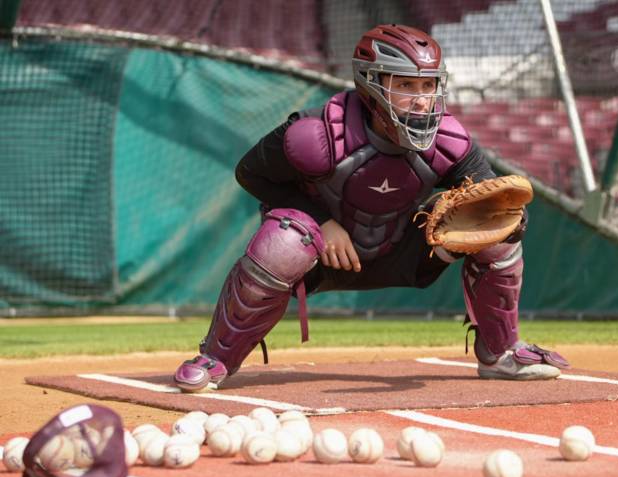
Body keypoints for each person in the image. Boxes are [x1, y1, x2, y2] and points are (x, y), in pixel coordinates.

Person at [173, 24, 568, 393]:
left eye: (429, 86)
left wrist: (512, 223)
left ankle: (501, 352)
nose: (421, 98)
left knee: (496, 230)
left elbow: (500, 202)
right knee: (286, 236)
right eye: (406, 85)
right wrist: (324, 222)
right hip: (320, 259)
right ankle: (216, 358)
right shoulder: (318, 135)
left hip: (406, 253)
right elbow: (251, 173)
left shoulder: (449, 140)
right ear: (371, 84)